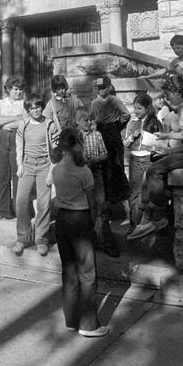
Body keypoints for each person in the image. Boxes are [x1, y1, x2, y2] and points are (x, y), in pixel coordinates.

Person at [128, 75, 183, 240]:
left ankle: (158, 216)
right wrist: (166, 136)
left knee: (154, 170)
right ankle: (148, 215)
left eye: (167, 95)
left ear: (177, 92)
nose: (166, 99)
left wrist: (169, 152)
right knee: (154, 169)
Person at [52, 127, 110, 338]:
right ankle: (89, 324)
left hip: (62, 220)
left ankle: (71, 320)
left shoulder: (56, 169)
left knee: (69, 272)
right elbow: (92, 200)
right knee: (87, 273)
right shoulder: (83, 171)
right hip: (80, 218)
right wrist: (95, 220)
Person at [11, 93, 59, 257]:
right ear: (28, 110)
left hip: (45, 165)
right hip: (27, 165)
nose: (35, 110)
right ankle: (23, 237)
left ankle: (41, 239)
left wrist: (51, 171)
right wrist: (19, 164)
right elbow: (19, 145)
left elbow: (56, 151)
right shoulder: (23, 125)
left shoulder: (49, 125)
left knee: (43, 203)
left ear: (42, 107)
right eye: (31, 108)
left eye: (37, 107)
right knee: (20, 200)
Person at [76, 107, 119, 258]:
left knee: (101, 208)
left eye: (91, 120)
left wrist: (95, 159)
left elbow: (105, 154)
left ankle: (107, 243)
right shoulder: (74, 136)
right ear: (77, 121)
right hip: (79, 177)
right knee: (84, 210)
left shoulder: (97, 135)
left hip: (96, 175)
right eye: (86, 120)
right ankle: (87, 243)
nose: (89, 123)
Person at [89, 75, 130, 220]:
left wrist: (118, 126)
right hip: (101, 133)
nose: (100, 90)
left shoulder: (114, 100)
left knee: (116, 165)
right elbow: (91, 117)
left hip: (113, 133)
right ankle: (106, 203)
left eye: (103, 87)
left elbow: (126, 114)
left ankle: (120, 202)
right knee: (104, 167)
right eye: (98, 88)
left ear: (109, 87)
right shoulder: (94, 103)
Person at [123, 92, 164, 229]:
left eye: (139, 108)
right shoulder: (132, 123)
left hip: (149, 159)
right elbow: (125, 144)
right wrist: (132, 137)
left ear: (147, 108)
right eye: (134, 108)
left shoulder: (155, 122)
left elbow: (161, 143)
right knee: (135, 193)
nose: (135, 111)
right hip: (135, 160)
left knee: (147, 194)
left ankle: (145, 224)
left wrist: (153, 145)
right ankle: (134, 224)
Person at [0, 75, 26, 223]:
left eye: (21, 89)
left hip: (18, 138)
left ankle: (19, 210)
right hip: (2, 138)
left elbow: (23, 122)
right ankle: (4, 210)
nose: (19, 92)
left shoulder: (25, 104)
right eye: (16, 89)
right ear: (9, 89)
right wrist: (15, 118)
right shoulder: (0, 103)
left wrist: (4, 121)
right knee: (3, 175)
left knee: (17, 174)